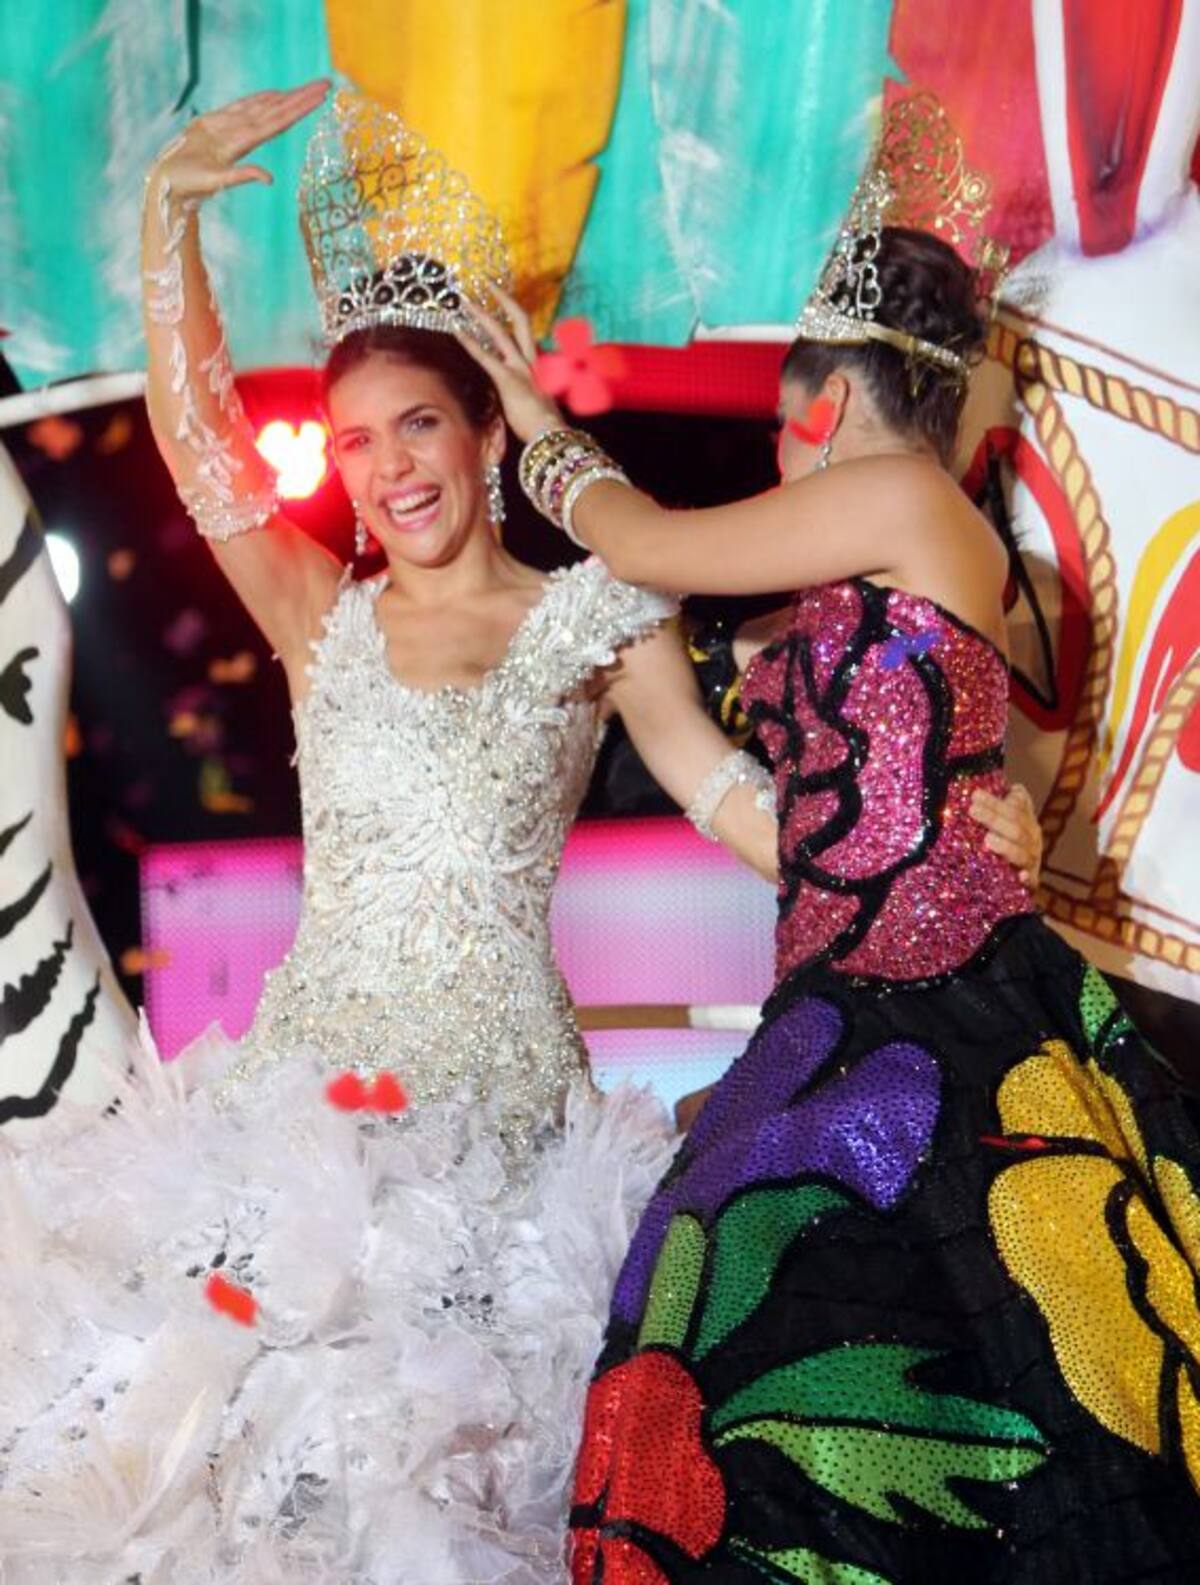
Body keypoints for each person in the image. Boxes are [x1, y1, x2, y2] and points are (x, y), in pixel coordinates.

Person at [0, 88, 1037, 1580]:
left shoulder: (599, 623)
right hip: (305, 1117)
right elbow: (203, 447)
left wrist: (935, 840)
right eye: (354, 441)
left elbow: (743, 808)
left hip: (505, 1145)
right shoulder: (319, 616)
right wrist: (170, 227)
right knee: (231, 1488)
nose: (386, 466)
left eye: (418, 422)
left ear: (489, 428)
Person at [462, 93, 1200, 1584]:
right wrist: (661, 707)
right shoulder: (879, 539)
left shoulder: (910, 497)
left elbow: (654, 541)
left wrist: (535, 424)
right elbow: (793, 825)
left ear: (825, 398)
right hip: (840, 1003)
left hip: (938, 1011)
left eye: (779, 422)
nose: (777, 453)